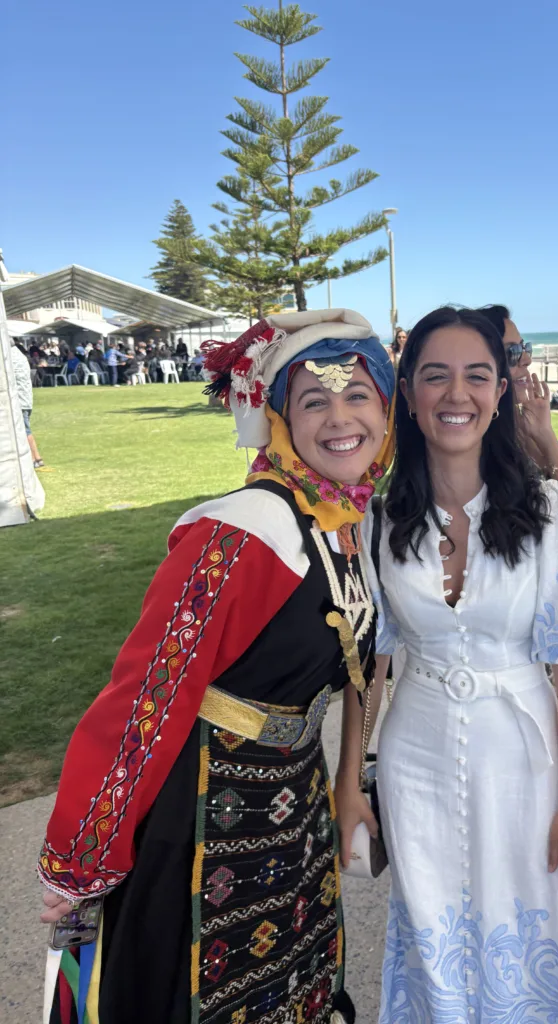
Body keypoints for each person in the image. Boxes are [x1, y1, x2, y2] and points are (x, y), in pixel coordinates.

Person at [38, 309, 395, 1024]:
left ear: (387, 414)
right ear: (279, 421)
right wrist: (82, 853)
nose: (339, 417)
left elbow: (370, 659)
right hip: (195, 821)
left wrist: (353, 780)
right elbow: (145, 700)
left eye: (359, 395)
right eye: (313, 400)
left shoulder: (352, 521)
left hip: (291, 812)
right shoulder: (241, 531)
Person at [335, 305, 558, 1022]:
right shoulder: (378, 521)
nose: (458, 395)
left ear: (501, 391)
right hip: (415, 763)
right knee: (435, 933)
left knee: (554, 930)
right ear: (409, 397)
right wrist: (349, 782)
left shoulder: (549, 513)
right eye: (436, 377)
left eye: (478, 376)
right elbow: (373, 662)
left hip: (526, 764)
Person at [476, 304, 558, 507]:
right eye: (513, 352)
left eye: (525, 348)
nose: (526, 359)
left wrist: (544, 434)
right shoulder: (472, 432)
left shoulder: (517, 427)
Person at [11, 342, 45, 468]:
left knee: (24, 431)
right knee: (25, 429)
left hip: (19, 400)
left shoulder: (10, 359)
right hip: (26, 399)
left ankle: (33, 458)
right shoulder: (21, 358)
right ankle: (36, 458)